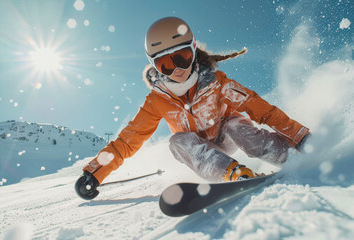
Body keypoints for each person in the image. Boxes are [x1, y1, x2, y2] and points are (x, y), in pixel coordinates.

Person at [75, 17, 310, 200]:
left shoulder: (217, 82)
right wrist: (94, 173)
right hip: (201, 151)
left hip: (227, 134)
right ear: (154, 66)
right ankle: (232, 173)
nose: (177, 69)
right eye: (166, 64)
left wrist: (300, 137)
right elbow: (128, 140)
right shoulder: (156, 101)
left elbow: (260, 108)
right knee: (177, 142)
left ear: (194, 51)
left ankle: (288, 156)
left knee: (236, 125)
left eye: (183, 58)